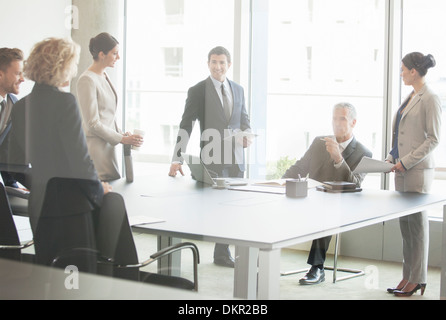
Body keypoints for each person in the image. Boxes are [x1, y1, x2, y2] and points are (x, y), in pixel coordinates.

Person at [8, 37, 112, 234]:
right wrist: (99, 190)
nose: (73, 70)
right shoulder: (65, 102)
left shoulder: (21, 106)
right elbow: (80, 162)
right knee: (77, 264)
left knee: (46, 263)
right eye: (72, 64)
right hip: (70, 208)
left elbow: (15, 165)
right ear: (61, 66)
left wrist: (41, 185)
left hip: (38, 206)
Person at [169, 46, 252, 268]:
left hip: (236, 158)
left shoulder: (239, 89)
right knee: (219, 208)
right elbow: (186, 125)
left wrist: (247, 135)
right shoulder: (197, 91)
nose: (218, 66)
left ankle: (222, 252)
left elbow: (244, 121)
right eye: (214, 62)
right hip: (213, 157)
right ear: (208, 64)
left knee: (233, 208)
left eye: (222, 62)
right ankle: (222, 253)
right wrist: (176, 158)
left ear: (229, 65)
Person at [283, 102, 372, 285]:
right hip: (311, 198)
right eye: (334, 118)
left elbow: (354, 185)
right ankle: (260, 259)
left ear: (353, 122)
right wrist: (280, 182)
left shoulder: (364, 153)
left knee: (327, 211)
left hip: (340, 205)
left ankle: (317, 268)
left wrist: (338, 159)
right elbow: (300, 167)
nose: (337, 123)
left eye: (342, 119)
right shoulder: (319, 142)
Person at [386, 52, 441, 297]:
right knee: (406, 227)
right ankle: (408, 275)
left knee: (417, 228)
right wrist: (391, 156)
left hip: (416, 171)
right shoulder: (411, 96)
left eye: (403, 69)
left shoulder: (430, 98)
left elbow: (434, 138)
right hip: (401, 169)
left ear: (414, 71)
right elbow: (401, 134)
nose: (400, 73)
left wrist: (406, 162)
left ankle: (418, 278)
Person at [77, 32, 143, 182]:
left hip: (108, 147)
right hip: (97, 150)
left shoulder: (104, 76)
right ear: (102, 54)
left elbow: (107, 116)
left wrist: (122, 134)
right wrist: (121, 139)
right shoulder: (87, 80)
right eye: (114, 53)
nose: (118, 57)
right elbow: (92, 123)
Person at [0, 48, 27, 189]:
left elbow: (5, 153)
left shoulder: (14, 105)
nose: (22, 79)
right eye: (18, 73)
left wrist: (13, 186)